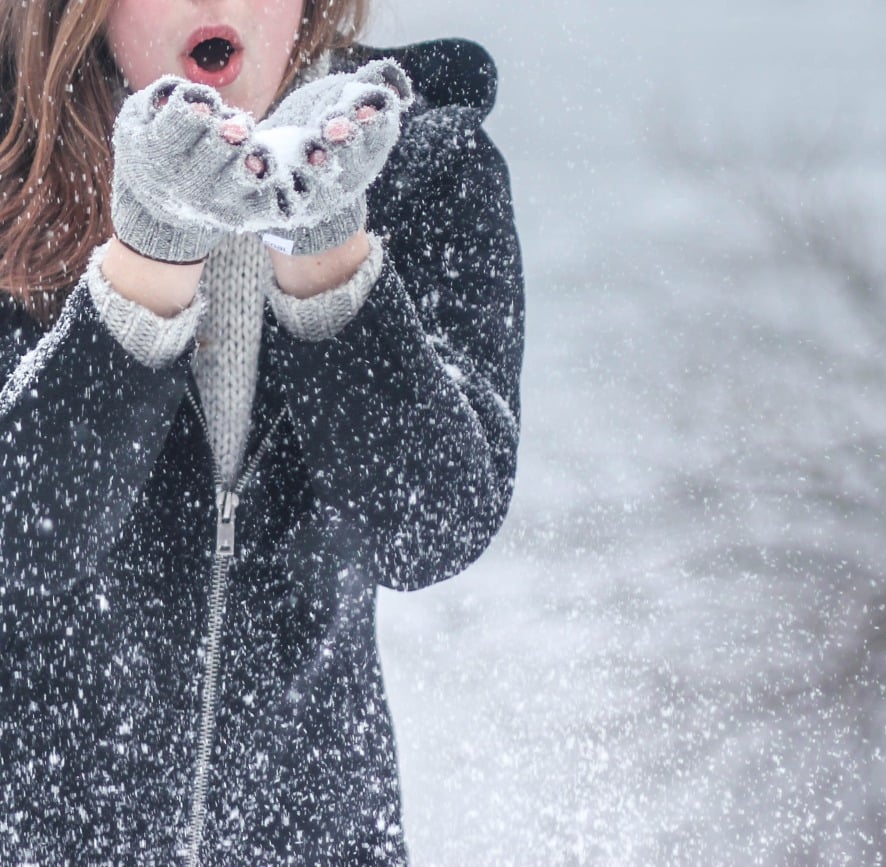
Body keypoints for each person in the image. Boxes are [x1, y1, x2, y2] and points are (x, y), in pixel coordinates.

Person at [0, 0, 524, 861]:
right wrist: (149, 260)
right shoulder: (10, 165)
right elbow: (19, 545)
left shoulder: (425, 166)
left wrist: (329, 254)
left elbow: (432, 527)